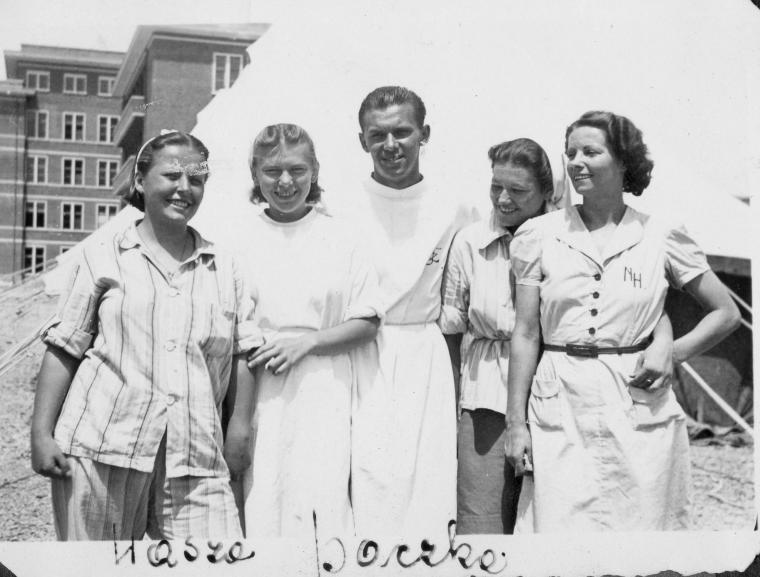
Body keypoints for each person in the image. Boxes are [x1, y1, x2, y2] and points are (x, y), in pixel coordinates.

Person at [504, 111, 741, 532]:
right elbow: (524, 333)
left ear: (623, 161)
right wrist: (515, 424)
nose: (576, 162)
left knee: (641, 528)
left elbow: (726, 313)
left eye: (590, 152)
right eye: (571, 153)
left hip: (637, 400)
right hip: (560, 399)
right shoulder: (538, 235)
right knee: (559, 531)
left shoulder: (661, 235)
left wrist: (672, 352)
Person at [30, 131, 261, 540]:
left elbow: (242, 354)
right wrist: (41, 434)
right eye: (172, 175)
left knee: (220, 562)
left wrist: (238, 430)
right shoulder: (102, 256)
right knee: (95, 568)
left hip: (196, 457)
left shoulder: (225, 268)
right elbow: (65, 348)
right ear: (140, 180)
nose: (184, 188)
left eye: (196, 179)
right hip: (103, 449)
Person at [238, 123, 382, 539]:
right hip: (263, 388)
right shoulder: (239, 239)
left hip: (325, 386)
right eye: (272, 171)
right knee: (265, 499)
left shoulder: (342, 236)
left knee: (322, 502)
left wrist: (310, 342)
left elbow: (368, 321)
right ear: (255, 173)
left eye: (297, 170)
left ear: (315, 171)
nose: (285, 182)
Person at [348, 86, 478, 540]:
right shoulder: (340, 205)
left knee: (427, 482)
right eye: (377, 135)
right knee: (365, 476)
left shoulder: (455, 206)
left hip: (425, 356)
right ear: (362, 140)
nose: (390, 145)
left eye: (402, 132)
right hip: (359, 352)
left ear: (424, 134)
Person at [439, 138, 556, 534]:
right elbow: (451, 329)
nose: (503, 199)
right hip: (485, 392)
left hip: (550, 389)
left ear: (545, 192)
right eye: (496, 187)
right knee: (483, 518)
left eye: (518, 190)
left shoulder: (562, 239)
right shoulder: (469, 241)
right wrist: (452, 406)